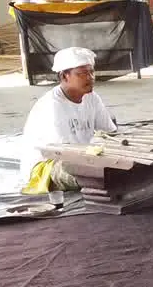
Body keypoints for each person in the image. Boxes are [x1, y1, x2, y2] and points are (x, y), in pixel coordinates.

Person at [19, 47, 118, 194]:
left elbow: (110, 132)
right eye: (82, 74)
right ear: (64, 76)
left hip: (82, 157)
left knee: (116, 169)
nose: (90, 77)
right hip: (47, 165)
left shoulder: (92, 97)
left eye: (91, 72)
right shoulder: (52, 106)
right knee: (94, 176)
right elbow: (64, 153)